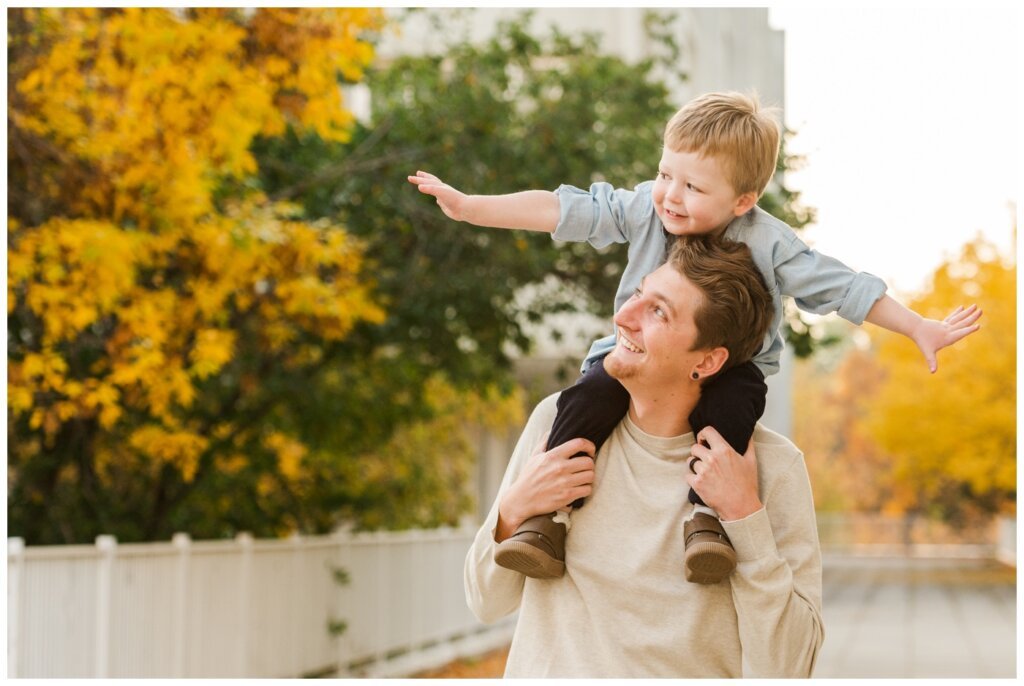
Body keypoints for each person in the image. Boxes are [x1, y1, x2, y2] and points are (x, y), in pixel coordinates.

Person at [410, 91, 982, 584]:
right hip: (630, 355)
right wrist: (471, 208)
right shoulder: (645, 210)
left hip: (733, 366)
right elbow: (566, 209)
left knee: (731, 409)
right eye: (665, 175)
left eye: (692, 187)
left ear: (743, 201)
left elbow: (841, 286)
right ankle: (547, 521)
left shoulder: (770, 242)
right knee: (583, 399)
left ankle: (707, 521)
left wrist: (916, 326)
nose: (670, 197)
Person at [465, 236, 821, 677]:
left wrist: (745, 517)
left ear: (708, 361)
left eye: (658, 312)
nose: (623, 317)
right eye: (639, 295)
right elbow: (485, 601)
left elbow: (790, 668)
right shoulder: (556, 425)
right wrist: (514, 508)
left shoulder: (773, 467)